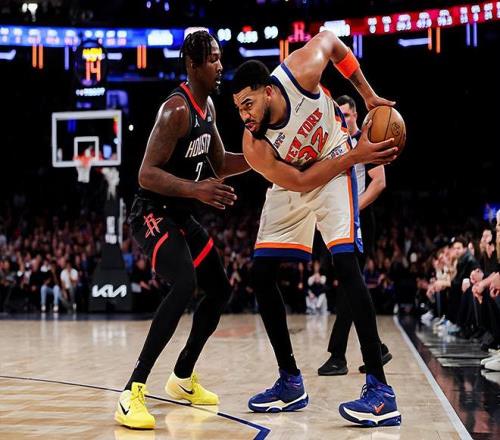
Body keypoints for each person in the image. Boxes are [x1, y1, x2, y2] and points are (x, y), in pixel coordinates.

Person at [232, 29, 401, 426]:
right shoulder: (255, 146)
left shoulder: (301, 70)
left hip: (335, 158)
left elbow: (331, 40)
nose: (245, 115)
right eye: (238, 109)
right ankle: (290, 382)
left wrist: (367, 94)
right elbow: (300, 182)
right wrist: (355, 157)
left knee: (346, 264)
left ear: (269, 91)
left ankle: (381, 392)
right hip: (297, 178)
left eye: (249, 104)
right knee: (260, 274)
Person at [115, 30, 249, 430]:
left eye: (220, 58)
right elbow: (146, 174)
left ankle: (182, 377)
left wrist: (264, 158)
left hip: (179, 215)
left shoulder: (208, 107)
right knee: (185, 282)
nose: (220, 66)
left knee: (219, 288)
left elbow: (220, 163)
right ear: (193, 65)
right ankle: (131, 391)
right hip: (150, 213)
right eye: (213, 59)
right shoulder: (176, 110)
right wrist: (197, 189)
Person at [318, 95, 392, 376]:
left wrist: (353, 208)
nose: (344, 118)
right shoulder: (337, 144)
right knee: (351, 286)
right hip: (343, 220)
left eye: (347, 114)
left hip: (360, 220)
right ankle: (377, 349)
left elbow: (379, 182)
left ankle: (338, 356)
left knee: (350, 287)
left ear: (356, 115)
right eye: (340, 114)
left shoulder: (365, 140)